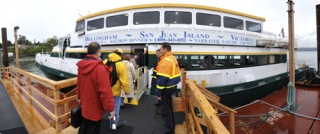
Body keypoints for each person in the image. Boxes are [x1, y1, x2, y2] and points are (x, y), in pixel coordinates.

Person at [76, 42, 115, 133]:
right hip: (95, 107)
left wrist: (79, 97)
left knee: (84, 127)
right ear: (98, 52)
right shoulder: (100, 69)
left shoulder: (81, 66)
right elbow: (105, 92)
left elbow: (79, 84)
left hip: (85, 104)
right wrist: (111, 109)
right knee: (93, 129)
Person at [156, 42, 181, 134]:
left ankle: (169, 130)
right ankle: (171, 126)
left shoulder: (166, 61)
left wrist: (158, 92)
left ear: (165, 49)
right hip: (171, 88)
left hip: (166, 90)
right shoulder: (172, 58)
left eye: (161, 49)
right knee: (169, 108)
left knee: (166, 111)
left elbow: (162, 80)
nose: (160, 50)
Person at [103, 48, 130, 129]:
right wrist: (127, 91)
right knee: (115, 108)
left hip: (105, 90)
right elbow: (124, 80)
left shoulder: (105, 61)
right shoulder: (121, 64)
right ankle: (113, 125)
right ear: (120, 55)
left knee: (109, 108)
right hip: (115, 91)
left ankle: (111, 122)